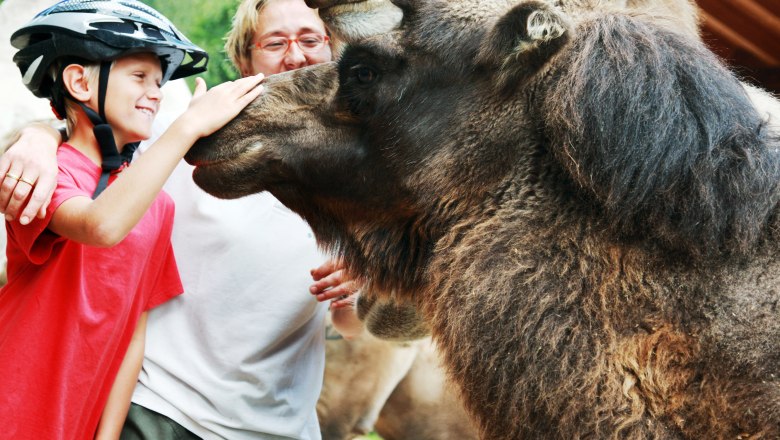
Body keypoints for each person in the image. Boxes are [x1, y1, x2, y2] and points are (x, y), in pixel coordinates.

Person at [2, 0, 363, 438]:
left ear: (335, 47)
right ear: (244, 57)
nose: (296, 55)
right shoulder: (186, 122)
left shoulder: (365, 176)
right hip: (158, 405)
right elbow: (91, 131)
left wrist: (360, 292)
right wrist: (36, 137)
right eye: (274, 42)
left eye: (311, 39)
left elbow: (354, 326)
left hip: (274, 425)